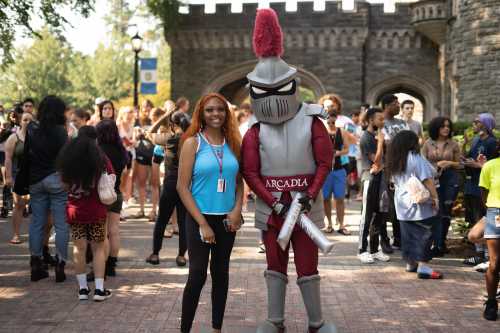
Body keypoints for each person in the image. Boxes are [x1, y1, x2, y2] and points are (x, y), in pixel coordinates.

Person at [241, 9, 336, 333]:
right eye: (263, 91)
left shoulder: (311, 121)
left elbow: (325, 162)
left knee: (309, 266)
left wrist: (309, 195)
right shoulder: (254, 129)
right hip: (272, 210)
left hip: (306, 207)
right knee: (274, 265)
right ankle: (275, 320)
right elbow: (250, 171)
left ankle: (316, 321)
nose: (270, 98)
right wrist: (275, 201)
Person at [177, 93, 243, 333]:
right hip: (198, 217)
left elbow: (238, 182)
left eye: (220, 110)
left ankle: (216, 328)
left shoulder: (234, 142)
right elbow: (182, 187)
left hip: (226, 220)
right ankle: (185, 329)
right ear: (201, 114)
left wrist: (237, 210)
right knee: (197, 275)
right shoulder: (192, 143)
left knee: (220, 273)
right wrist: (202, 224)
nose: (216, 114)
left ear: (226, 113)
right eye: (210, 110)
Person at [57, 135, 114, 301]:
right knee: (98, 249)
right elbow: (112, 178)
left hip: (75, 212)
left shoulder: (68, 162)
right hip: (96, 211)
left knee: (78, 249)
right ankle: (99, 290)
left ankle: (82, 289)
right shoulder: (100, 160)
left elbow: (63, 185)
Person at [386, 130, 442, 279]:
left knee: (408, 234)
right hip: (419, 202)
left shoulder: (395, 158)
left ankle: (411, 263)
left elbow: (393, 181)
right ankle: (423, 267)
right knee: (425, 233)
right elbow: (426, 179)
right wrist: (435, 198)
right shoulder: (415, 157)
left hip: (402, 202)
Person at [25, 95, 69, 282]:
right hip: (56, 179)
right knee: (61, 225)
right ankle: (60, 264)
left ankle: (35, 263)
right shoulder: (61, 131)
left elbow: (27, 155)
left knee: (37, 223)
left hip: (36, 180)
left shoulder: (32, 129)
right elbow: (65, 157)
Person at [146, 109, 190, 267]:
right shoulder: (192, 139)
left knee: (162, 219)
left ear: (172, 125)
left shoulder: (169, 139)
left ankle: (155, 254)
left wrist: (164, 117)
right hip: (187, 185)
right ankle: (181, 256)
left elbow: (149, 133)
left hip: (170, 184)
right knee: (184, 221)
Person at [422, 117, 461, 256]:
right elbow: (422, 163)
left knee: (446, 211)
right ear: (436, 128)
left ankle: (441, 243)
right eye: (443, 126)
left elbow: (460, 164)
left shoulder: (454, 144)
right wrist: (435, 166)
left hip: (450, 179)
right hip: (433, 180)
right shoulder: (427, 143)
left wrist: (448, 163)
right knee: (436, 211)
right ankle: (434, 243)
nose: (446, 129)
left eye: (448, 126)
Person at [463, 113, 497, 266]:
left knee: (485, 220)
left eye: (477, 121)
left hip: (483, 187)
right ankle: (479, 254)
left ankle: (486, 256)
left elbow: (490, 165)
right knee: (474, 218)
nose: (474, 123)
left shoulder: (492, 142)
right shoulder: (475, 139)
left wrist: (477, 165)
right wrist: (464, 146)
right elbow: (470, 158)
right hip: (472, 184)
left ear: (485, 124)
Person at [357, 107, 391, 264]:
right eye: (380, 119)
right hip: (369, 178)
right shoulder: (366, 137)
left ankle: (375, 249)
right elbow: (376, 161)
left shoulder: (377, 136)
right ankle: (362, 250)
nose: (382, 122)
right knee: (367, 214)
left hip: (380, 178)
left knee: (379, 214)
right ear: (371, 120)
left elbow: (383, 162)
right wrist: (381, 142)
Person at [96, 120, 128, 277]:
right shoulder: (121, 150)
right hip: (116, 194)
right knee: (114, 230)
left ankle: (101, 264)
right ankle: (112, 265)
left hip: (101, 195)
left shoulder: (98, 150)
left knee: (103, 233)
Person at [381, 94, 408, 251]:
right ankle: (383, 239)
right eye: (395, 104)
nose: (399, 106)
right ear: (386, 106)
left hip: (403, 169)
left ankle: (399, 238)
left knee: (402, 202)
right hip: (386, 170)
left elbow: (409, 141)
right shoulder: (380, 122)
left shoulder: (402, 123)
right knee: (386, 205)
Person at [479, 140, 500, 320]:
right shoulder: (490, 166)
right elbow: (484, 194)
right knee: (495, 263)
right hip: (496, 213)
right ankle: (491, 302)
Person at [4, 112, 33, 244]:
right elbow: (8, 159)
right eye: (25, 120)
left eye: (30, 120)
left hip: (34, 175)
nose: (27, 122)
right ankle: (16, 234)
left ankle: (36, 234)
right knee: (18, 204)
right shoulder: (13, 138)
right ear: (20, 121)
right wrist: (8, 177)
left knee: (34, 205)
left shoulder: (36, 137)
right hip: (17, 175)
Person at [322, 112, 350, 235]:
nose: (330, 124)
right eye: (328, 121)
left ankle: (341, 224)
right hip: (326, 170)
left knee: (340, 198)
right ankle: (328, 223)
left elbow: (347, 149)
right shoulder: (322, 132)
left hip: (339, 169)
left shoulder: (342, 132)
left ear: (336, 120)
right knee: (326, 198)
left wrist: (337, 153)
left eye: (332, 121)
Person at [132, 99, 154, 218]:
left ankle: (154, 210)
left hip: (155, 154)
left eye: (148, 107)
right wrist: (137, 133)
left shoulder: (156, 120)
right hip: (141, 153)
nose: (146, 110)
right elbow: (134, 139)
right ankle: (141, 209)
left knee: (155, 184)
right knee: (141, 182)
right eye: (144, 108)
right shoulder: (137, 121)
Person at [116, 106, 136, 208]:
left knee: (129, 176)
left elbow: (134, 142)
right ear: (122, 114)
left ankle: (126, 198)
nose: (129, 115)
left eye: (131, 113)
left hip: (130, 154)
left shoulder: (132, 126)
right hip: (120, 154)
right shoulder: (118, 125)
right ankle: (121, 197)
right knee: (121, 175)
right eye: (127, 113)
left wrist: (132, 142)